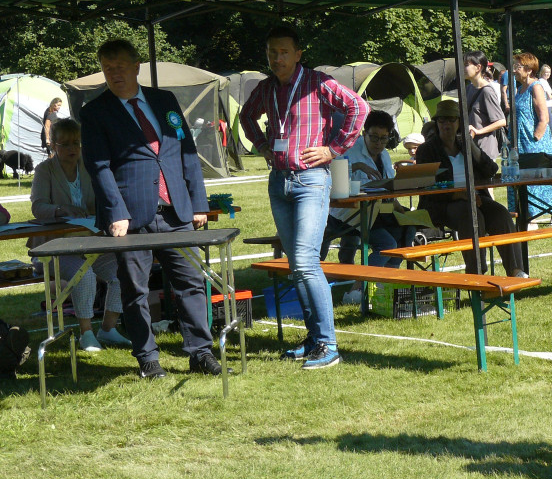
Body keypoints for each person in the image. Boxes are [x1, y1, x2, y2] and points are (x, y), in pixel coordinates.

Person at [81, 39, 221, 379]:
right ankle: (148, 359)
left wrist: (198, 203)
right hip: (131, 218)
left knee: (189, 283)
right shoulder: (95, 111)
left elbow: (186, 152)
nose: (114, 73)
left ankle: (200, 352)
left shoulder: (164, 100)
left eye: (120, 67)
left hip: (176, 211)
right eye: (107, 68)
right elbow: (98, 167)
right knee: (135, 291)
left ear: (136, 66)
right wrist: (116, 212)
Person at [240, 25, 369, 370]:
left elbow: (359, 108)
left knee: (305, 259)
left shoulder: (318, 82)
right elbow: (245, 116)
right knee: (297, 265)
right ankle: (314, 339)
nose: (276, 58)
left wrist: (334, 149)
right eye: (271, 52)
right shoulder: (265, 88)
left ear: (298, 54)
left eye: (283, 52)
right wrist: (263, 145)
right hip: (279, 182)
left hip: (311, 180)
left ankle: (329, 345)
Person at [30, 118, 132, 352]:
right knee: (83, 276)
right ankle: (86, 333)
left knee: (124, 271)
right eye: (65, 144)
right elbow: (38, 207)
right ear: (53, 145)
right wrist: (59, 210)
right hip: (56, 247)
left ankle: (108, 329)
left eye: (76, 143)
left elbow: (104, 198)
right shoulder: (44, 170)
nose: (71, 149)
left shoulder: (89, 165)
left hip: (90, 242)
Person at [413, 98, 526, 277]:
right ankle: (477, 274)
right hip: (442, 204)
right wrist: (458, 195)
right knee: (473, 217)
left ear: (459, 122)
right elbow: (426, 188)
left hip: (476, 198)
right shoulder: (427, 150)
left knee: (501, 214)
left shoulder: (465, 146)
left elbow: (491, 169)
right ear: (436, 123)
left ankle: (515, 270)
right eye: (441, 120)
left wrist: (471, 145)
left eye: (451, 119)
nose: (446, 124)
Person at [320, 110, 416, 275]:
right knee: (387, 244)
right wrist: (355, 167)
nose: (379, 143)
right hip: (351, 213)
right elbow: (334, 182)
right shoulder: (348, 150)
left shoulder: (384, 156)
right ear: (365, 133)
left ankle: (388, 277)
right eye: (374, 137)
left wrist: (401, 211)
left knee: (407, 228)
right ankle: (361, 287)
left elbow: (388, 187)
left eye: (384, 138)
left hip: (378, 210)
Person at [511, 52, 552, 218]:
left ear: (529, 70)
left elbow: (544, 118)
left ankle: (551, 213)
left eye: (517, 67)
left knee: (538, 179)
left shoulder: (536, 87)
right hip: (520, 142)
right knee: (522, 180)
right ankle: (527, 215)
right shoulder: (519, 89)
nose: (514, 70)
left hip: (533, 143)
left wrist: (535, 138)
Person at [464, 50, 507, 159]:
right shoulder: (469, 88)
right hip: (471, 148)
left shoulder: (487, 91)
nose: (462, 68)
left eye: (466, 65)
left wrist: (478, 131)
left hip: (484, 150)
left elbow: (501, 121)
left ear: (478, 67)